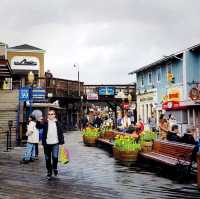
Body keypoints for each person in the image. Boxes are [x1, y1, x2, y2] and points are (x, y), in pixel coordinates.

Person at [38, 110, 65, 179]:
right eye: (49, 114)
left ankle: (55, 168)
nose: (50, 115)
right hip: (47, 144)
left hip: (55, 143)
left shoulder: (58, 123)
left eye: (52, 114)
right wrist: (38, 121)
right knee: (47, 159)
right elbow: (38, 126)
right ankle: (49, 171)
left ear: (54, 115)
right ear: (48, 115)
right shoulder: (45, 122)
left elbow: (61, 133)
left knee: (55, 157)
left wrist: (61, 142)